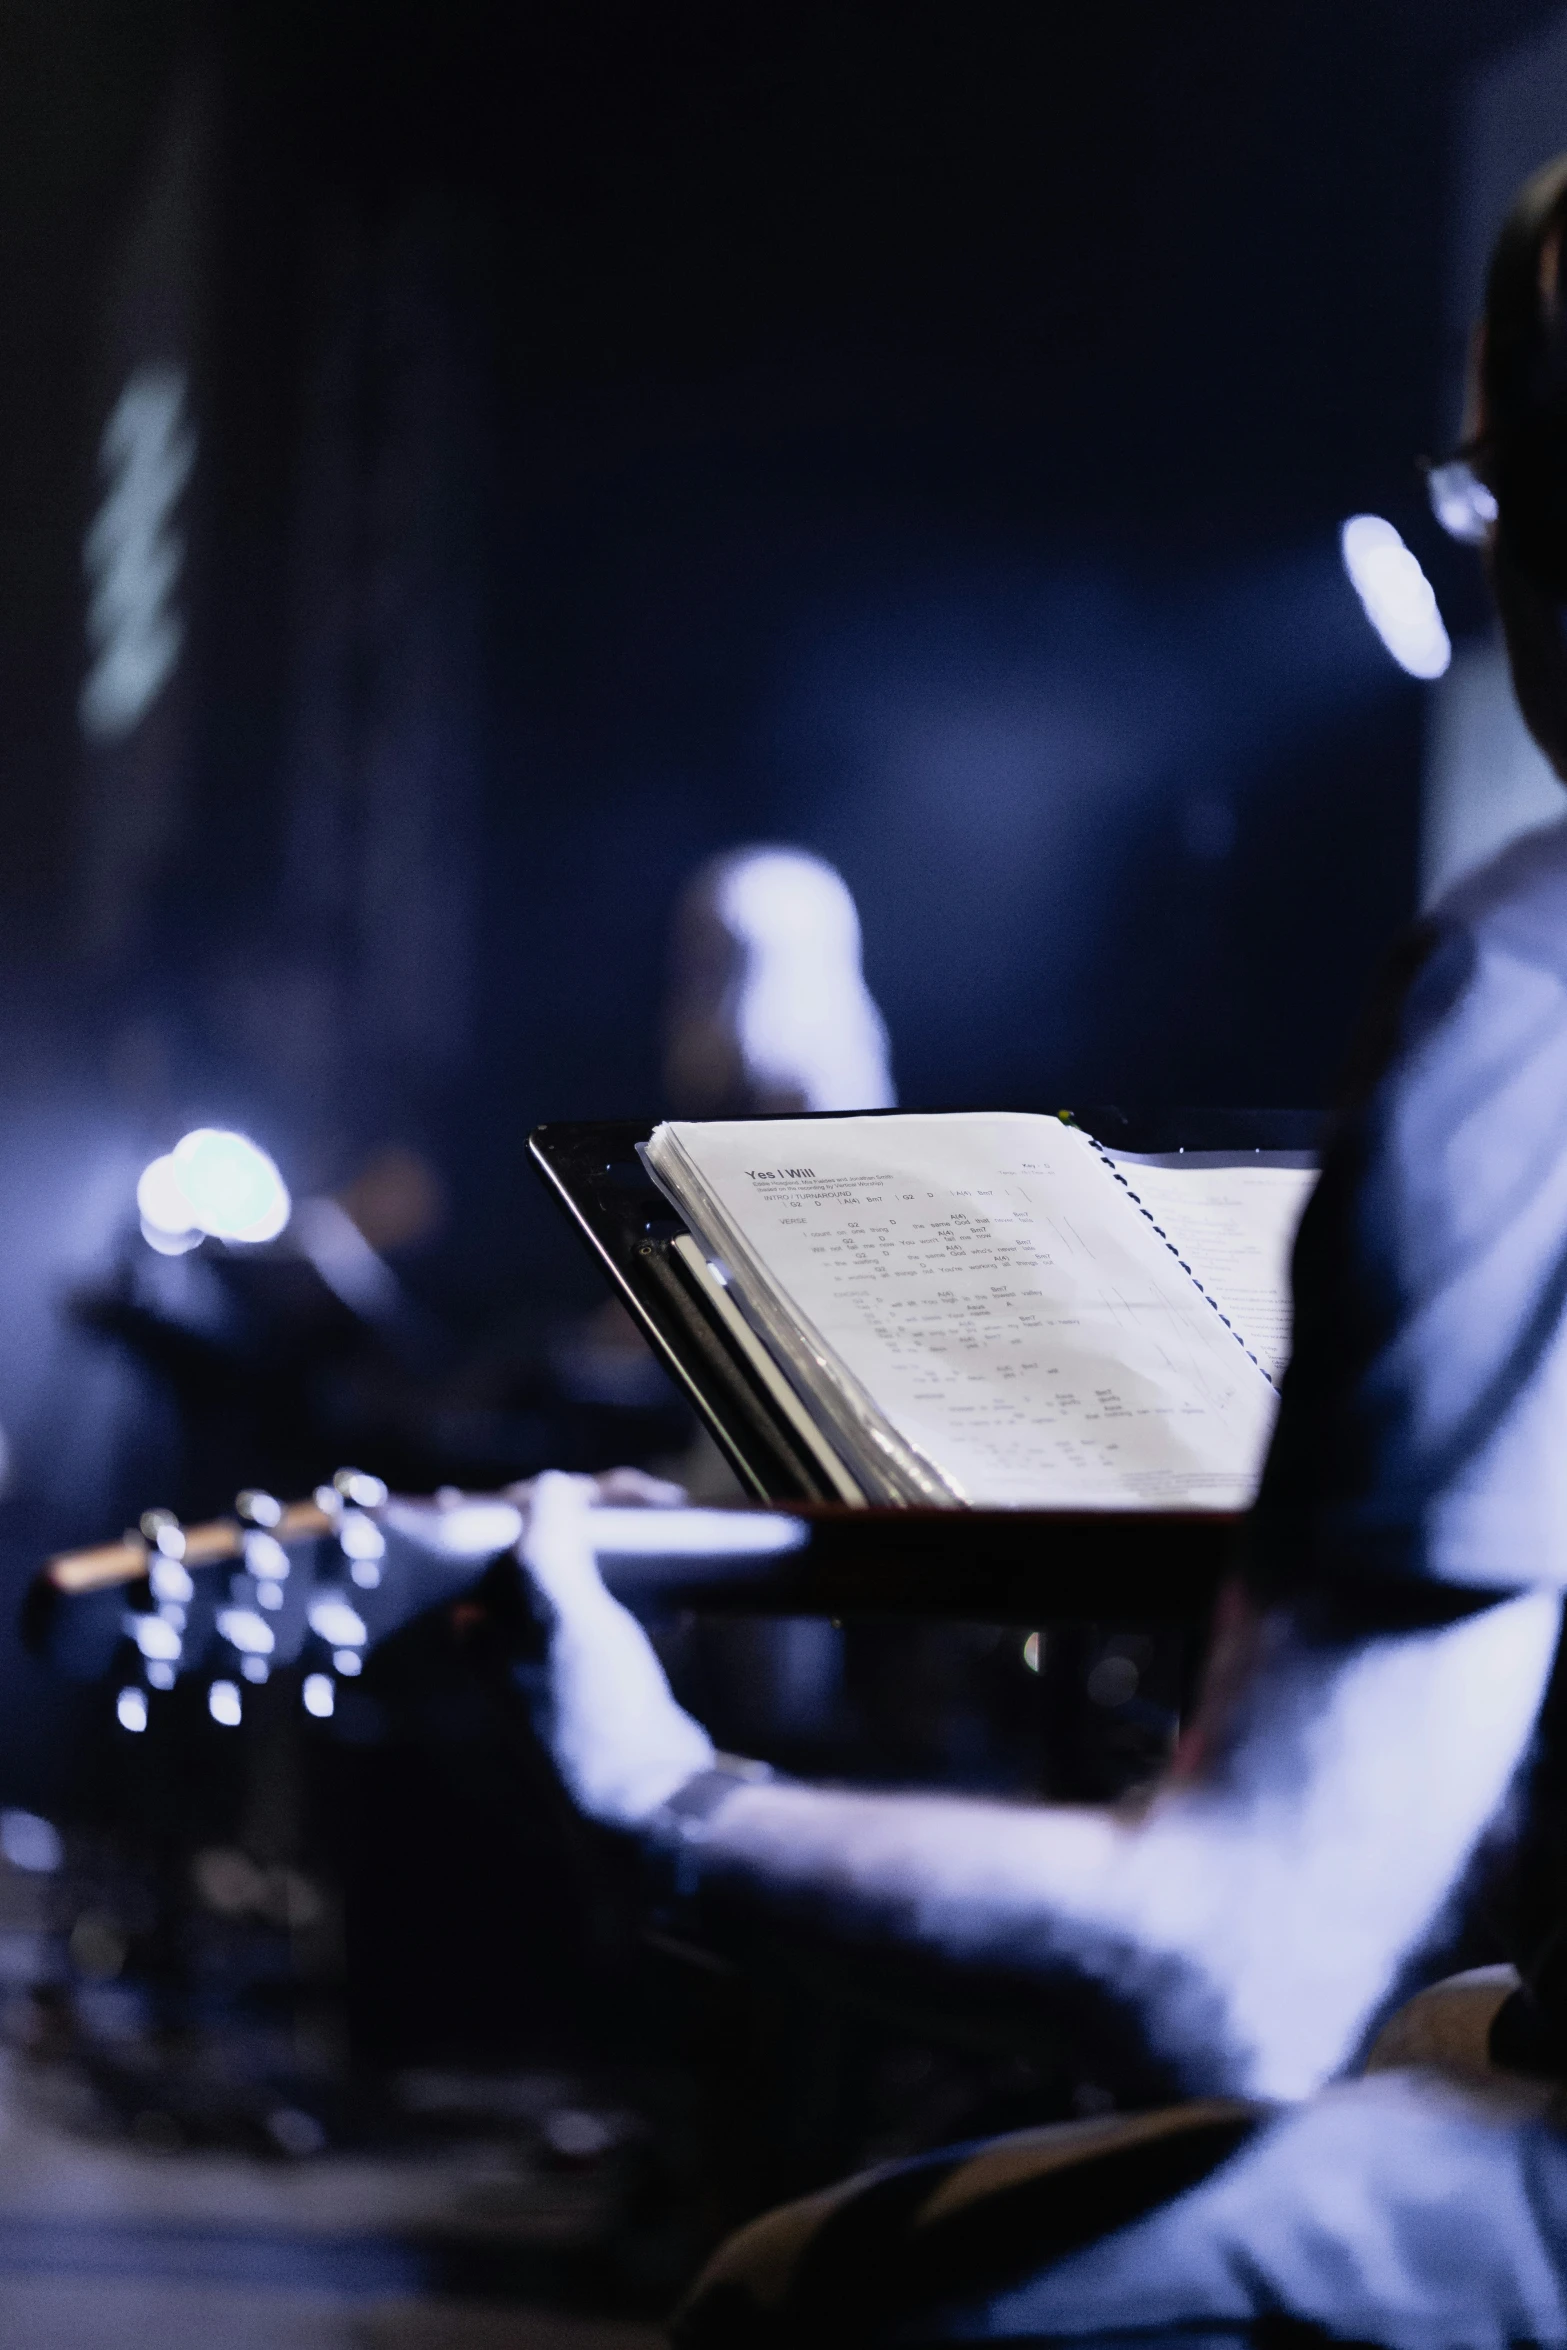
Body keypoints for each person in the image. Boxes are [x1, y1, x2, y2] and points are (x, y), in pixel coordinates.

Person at [492, 156, 1567, 2340]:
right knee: (1444, 2029)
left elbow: (1236, 1959)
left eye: (1486, 493)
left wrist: (666, 1798)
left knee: (807, 2295)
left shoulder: (1537, 986)